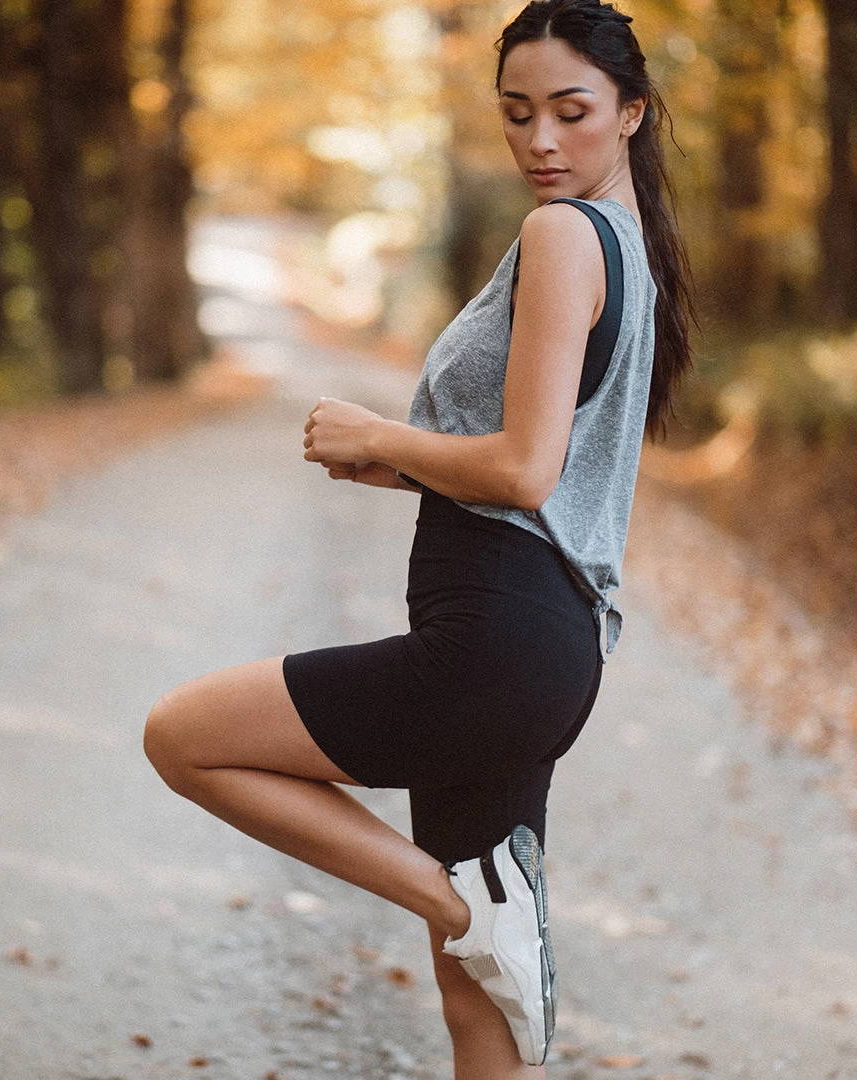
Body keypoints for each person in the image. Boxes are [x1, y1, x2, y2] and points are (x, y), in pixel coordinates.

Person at [143, 0, 694, 1075]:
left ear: (631, 111)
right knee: (475, 1007)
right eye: (516, 113)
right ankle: (483, 917)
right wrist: (400, 467)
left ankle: (462, 903)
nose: (540, 141)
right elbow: (541, 473)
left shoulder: (562, 234)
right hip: (544, 646)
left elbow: (525, 469)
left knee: (183, 735)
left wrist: (380, 430)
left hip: (491, 638)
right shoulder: (629, 249)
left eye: (571, 112)